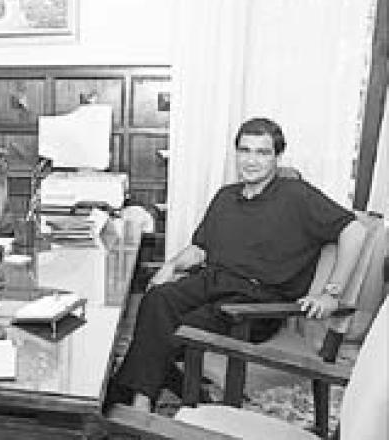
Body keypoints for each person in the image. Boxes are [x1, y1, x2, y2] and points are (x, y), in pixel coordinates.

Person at [109, 117, 366, 412]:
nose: (251, 160)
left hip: (254, 304)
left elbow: (354, 231)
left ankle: (136, 405)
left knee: (164, 332)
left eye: (262, 152)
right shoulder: (226, 197)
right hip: (212, 282)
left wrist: (332, 293)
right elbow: (201, 249)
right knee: (156, 299)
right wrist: (171, 265)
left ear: (277, 157)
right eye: (245, 150)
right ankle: (147, 397)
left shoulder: (296, 195)